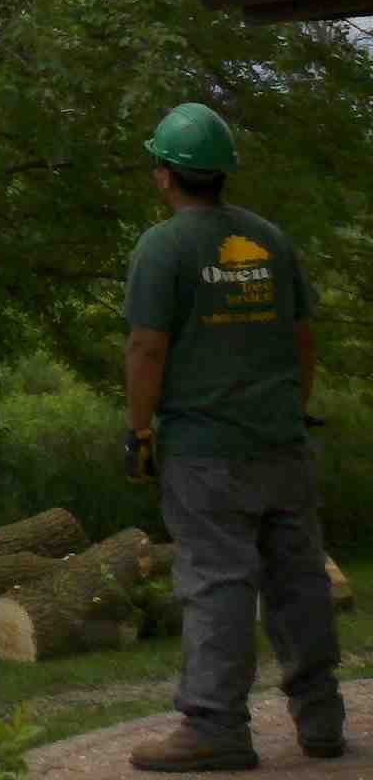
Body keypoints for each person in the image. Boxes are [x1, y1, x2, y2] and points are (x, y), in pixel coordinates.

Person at [123, 103, 343, 771]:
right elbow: (302, 339)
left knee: (217, 583)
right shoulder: (271, 240)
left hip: (205, 454)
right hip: (282, 444)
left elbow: (147, 347)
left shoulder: (162, 248)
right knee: (299, 581)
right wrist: (290, 409)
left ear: (165, 176)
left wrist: (140, 432)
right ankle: (322, 720)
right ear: (223, 173)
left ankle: (216, 727)